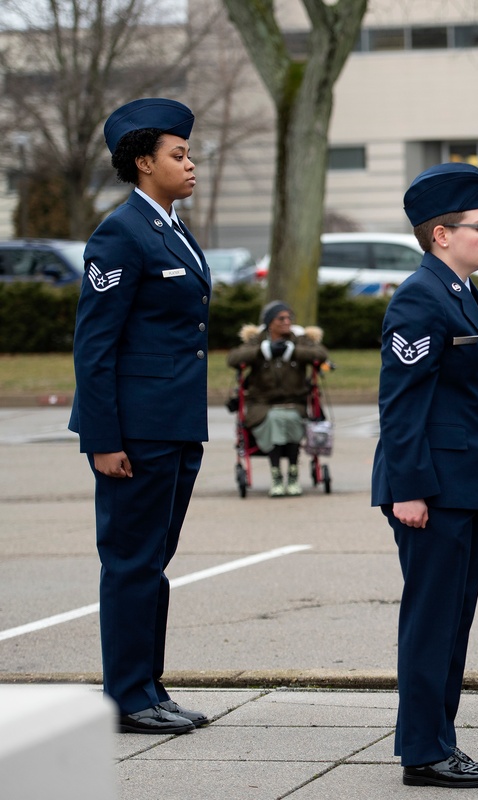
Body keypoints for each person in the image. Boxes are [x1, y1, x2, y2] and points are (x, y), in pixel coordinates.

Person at [68, 98, 211, 734]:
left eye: (188, 153)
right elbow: (94, 344)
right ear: (143, 162)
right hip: (137, 431)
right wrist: (102, 439)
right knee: (131, 561)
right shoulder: (120, 233)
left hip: (176, 426)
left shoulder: (172, 229)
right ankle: (126, 696)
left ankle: (148, 684)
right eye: (178, 155)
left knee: (153, 561)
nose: (190, 164)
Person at [371, 162, 478, 789]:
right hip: (432, 491)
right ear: (441, 235)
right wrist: (410, 491)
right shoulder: (420, 298)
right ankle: (424, 752)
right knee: (432, 623)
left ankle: (439, 742)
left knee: (452, 624)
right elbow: (401, 407)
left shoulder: (458, 291)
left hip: (462, 485)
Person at [226, 301, 329, 497]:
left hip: (295, 402)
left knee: (290, 418)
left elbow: (321, 354)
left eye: (289, 317)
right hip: (262, 404)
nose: (287, 321)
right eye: (281, 318)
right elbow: (233, 358)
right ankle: (276, 476)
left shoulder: (299, 339)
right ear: (269, 322)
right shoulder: (257, 340)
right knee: (274, 419)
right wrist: (263, 351)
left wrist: (293, 352)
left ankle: (292, 474)